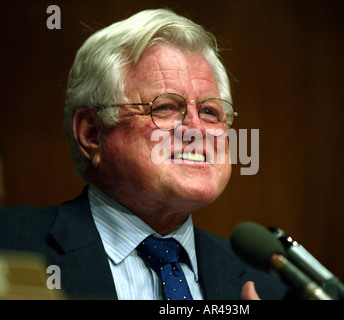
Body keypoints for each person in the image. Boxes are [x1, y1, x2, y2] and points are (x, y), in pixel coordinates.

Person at [0, 9, 288, 300]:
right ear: (92, 133)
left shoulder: (270, 287)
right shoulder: (11, 244)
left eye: (210, 111)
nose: (197, 129)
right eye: (164, 107)